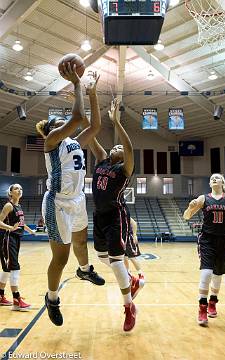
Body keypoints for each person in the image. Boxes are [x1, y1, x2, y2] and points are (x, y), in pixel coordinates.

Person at [36, 64, 104, 326]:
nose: (63, 122)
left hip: (78, 200)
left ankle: (85, 270)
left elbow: (95, 126)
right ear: (52, 128)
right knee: (61, 257)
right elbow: (77, 119)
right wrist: (76, 84)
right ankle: (52, 298)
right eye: (58, 121)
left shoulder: (74, 142)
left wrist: (93, 92)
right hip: (58, 204)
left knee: (81, 243)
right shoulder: (52, 140)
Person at [80, 98, 141, 332]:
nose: (115, 148)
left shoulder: (124, 169)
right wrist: (84, 102)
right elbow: (91, 134)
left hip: (116, 215)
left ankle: (128, 307)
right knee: (101, 256)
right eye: (113, 147)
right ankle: (131, 279)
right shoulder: (102, 159)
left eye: (119, 149)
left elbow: (129, 148)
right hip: (99, 215)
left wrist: (116, 122)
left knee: (116, 262)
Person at [183, 173, 225, 326]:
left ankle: (212, 302)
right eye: (212, 178)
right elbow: (186, 217)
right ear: (210, 184)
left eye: (217, 177)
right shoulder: (203, 199)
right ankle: (202, 307)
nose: (214, 179)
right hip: (207, 239)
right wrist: (190, 207)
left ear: (223, 182)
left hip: (223, 239)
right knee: (207, 272)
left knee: (217, 275)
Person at [0, 184, 35, 310]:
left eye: (21, 188)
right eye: (16, 188)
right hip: (8, 238)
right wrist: (10, 228)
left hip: (16, 238)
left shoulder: (19, 206)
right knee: (14, 267)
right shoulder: (9, 205)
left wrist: (30, 231)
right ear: (10, 192)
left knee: (7, 269)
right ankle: (16, 300)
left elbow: (21, 223)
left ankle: (0, 296)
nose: (19, 190)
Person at [124, 217, 145, 298]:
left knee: (132, 257)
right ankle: (128, 274)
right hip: (122, 238)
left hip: (129, 237)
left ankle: (141, 275)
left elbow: (134, 223)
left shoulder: (123, 212)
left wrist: (135, 235)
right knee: (124, 257)